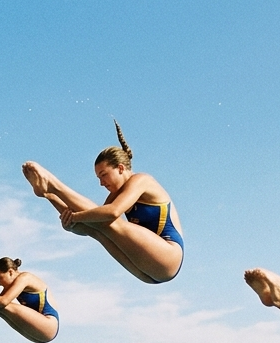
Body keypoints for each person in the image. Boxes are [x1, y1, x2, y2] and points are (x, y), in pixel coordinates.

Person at [22, 122, 184, 284]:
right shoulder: (117, 193)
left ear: (120, 168)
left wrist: (76, 217)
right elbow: (94, 223)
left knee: (107, 222)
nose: (101, 183)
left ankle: (54, 184)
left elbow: (112, 213)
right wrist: (71, 224)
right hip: (148, 272)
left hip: (168, 256)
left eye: (104, 175)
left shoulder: (141, 180)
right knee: (98, 230)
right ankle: (48, 193)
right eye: (99, 178)